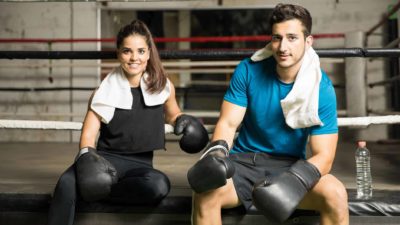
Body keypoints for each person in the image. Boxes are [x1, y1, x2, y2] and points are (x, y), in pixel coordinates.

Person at [187, 3, 349, 225]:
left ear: (308, 41)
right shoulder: (248, 70)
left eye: (292, 38)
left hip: (290, 166)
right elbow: (228, 123)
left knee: (336, 194)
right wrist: (217, 155)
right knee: (205, 194)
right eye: (277, 38)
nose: (283, 47)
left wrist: (295, 180)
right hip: (244, 162)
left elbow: (324, 156)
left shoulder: (321, 87)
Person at [47, 19, 209, 225]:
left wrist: (183, 120)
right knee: (65, 184)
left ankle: (98, 190)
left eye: (140, 51)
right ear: (118, 53)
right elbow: (88, 134)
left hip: (139, 166)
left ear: (149, 53)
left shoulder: (163, 86)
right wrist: (88, 160)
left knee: (158, 186)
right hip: (103, 162)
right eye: (127, 51)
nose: (134, 58)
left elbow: (172, 113)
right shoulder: (103, 91)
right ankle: (95, 184)